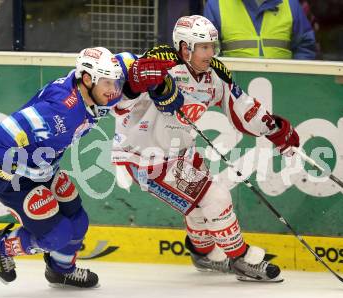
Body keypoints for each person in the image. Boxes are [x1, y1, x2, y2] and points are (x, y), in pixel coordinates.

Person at [112, 15, 300, 282]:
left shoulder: (215, 75)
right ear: (185, 47)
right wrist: (135, 83)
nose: (210, 53)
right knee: (216, 197)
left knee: (201, 207)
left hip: (182, 154)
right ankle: (242, 259)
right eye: (203, 47)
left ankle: (204, 254)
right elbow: (120, 100)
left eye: (213, 46)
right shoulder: (159, 65)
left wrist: (274, 129)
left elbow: (243, 108)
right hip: (147, 159)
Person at [0, 47, 178, 288]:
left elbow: (126, 63)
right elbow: (5, 131)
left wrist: (147, 65)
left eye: (115, 82)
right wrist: (1, 167)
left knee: (78, 221)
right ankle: (1, 244)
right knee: (56, 235)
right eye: (108, 83)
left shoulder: (97, 86)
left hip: (46, 169)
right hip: (18, 180)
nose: (114, 90)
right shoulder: (61, 111)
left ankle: (61, 271)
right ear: (88, 79)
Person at [203, 0, 316, 59]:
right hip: (233, 89)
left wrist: (296, 79)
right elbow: (207, 53)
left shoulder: (290, 4)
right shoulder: (216, 5)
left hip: (284, 87)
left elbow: (305, 47)